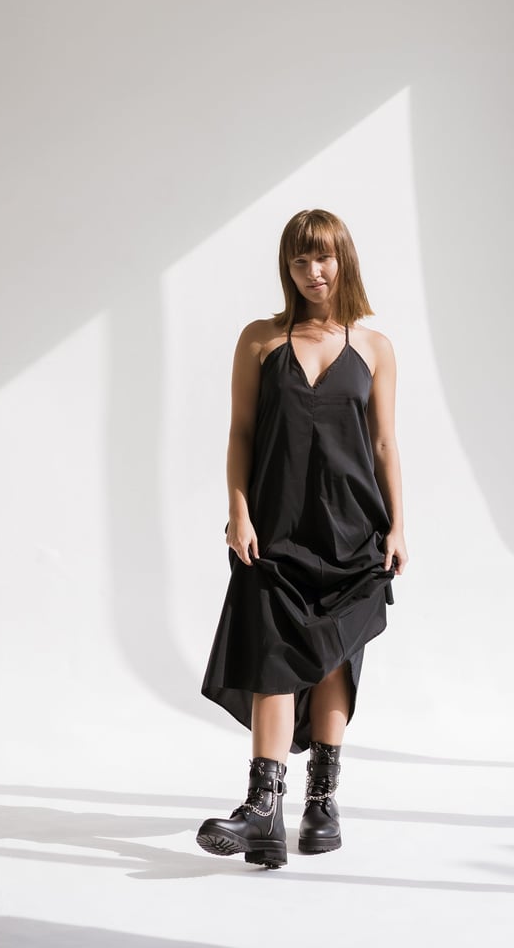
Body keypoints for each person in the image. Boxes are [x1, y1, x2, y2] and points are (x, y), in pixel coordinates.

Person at [196, 209, 408, 869]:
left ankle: (322, 802)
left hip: (353, 529)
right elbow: (241, 432)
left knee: (336, 659)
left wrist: (399, 524)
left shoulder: (374, 347)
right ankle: (263, 810)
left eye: (323, 257)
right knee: (272, 657)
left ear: (344, 260)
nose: (313, 271)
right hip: (275, 530)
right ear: (286, 269)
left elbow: (383, 443)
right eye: (299, 260)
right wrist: (238, 512)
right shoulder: (260, 341)